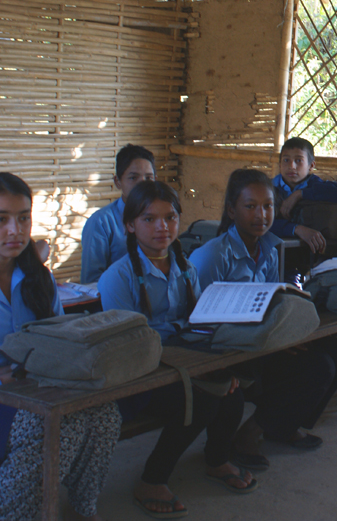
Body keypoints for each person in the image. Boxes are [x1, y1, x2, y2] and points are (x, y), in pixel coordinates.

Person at [99, 181, 257, 519]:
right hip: (138, 376)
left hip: (182, 363)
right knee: (200, 400)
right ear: (130, 225)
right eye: (149, 219)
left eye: (170, 217)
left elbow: (199, 324)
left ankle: (217, 460)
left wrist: (214, 368)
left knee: (232, 392)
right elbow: (128, 345)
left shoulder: (185, 267)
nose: (162, 227)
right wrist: (184, 341)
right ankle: (151, 480)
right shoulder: (117, 277)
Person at [189, 170, 337, 470]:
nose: (261, 215)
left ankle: (282, 425)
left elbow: (271, 304)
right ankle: (250, 433)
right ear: (231, 210)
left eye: (268, 206)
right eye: (250, 206)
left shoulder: (270, 250)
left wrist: (283, 334)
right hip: (226, 350)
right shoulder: (212, 256)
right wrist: (272, 340)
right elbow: (201, 323)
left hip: (261, 341)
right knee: (317, 366)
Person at [0, 172, 121, 521]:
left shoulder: (38, 278)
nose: (14, 230)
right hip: (11, 397)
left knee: (104, 413)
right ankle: (17, 511)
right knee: (53, 423)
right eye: (1, 219)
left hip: (38, 386)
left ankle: (83, 507)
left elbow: (60, 338)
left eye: (23, 218)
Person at [81, 144, 156, 283]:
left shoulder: (162, 219)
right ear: (118, 182)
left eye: (149, 178)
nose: (142, 184)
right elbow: (92, 281)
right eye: (133, 178)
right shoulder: (101, 222)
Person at [271, 137, 337, 253]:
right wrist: (295, 228)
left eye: (298, 160)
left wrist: (300, 194)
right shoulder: (268, 188)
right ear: (279, 164)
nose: (291, 166)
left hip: (311, 252)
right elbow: (257, 222)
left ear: (311, 165)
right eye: (286, 160)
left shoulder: (315, 184)